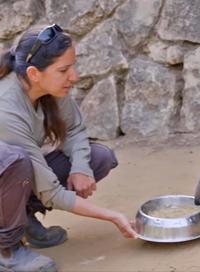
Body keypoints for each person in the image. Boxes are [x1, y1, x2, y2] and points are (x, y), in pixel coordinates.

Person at [0, 24, 137, 271]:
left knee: (99, 158)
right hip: (8, 174)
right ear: (34, 73)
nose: (74, 76)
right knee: (16, 160)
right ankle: (7, 250)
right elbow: (50, 192)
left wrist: (81, 168)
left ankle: (25, 220)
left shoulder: (48, 87)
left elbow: (74, 129)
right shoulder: (6, 107)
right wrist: (111, 215)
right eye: (64, 70)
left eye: (73, 66)